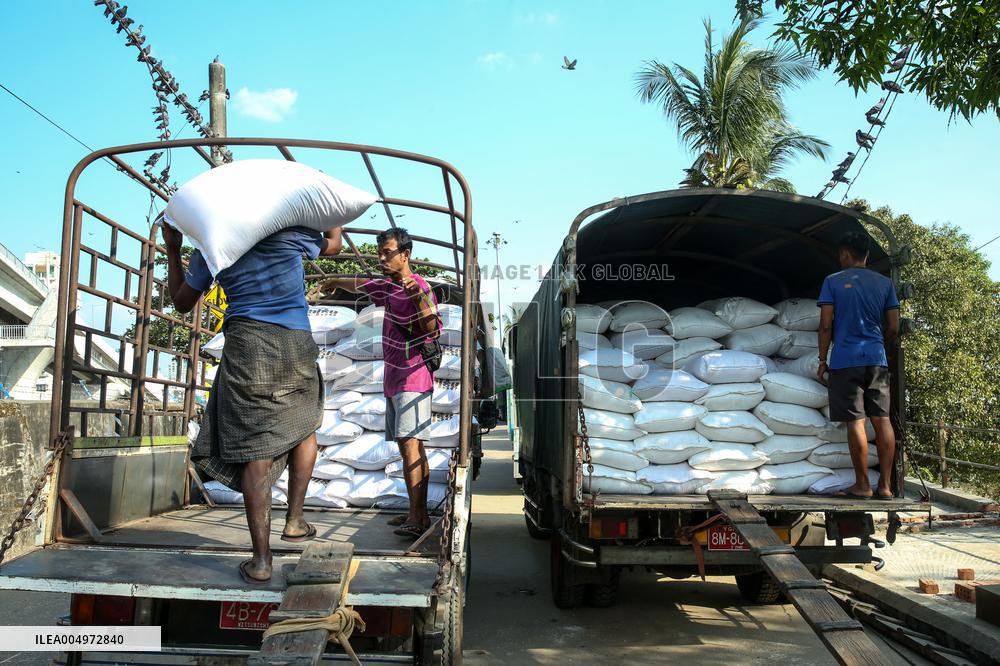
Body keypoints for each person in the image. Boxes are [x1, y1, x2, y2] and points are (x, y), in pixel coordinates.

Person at [163, 221, 344, 584]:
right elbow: (334, 245)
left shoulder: (214, 242)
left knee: (255, 449)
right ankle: (294, 520)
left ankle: (261, 561)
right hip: (295, 340)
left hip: (248, 343)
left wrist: (172, 247)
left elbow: (182, 302)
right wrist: (332, 215)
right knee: (306, 422)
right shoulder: (290, 234)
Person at [320, 228, 441, 538]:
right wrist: (335, 280)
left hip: (413, 377)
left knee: (411, 447)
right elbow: (361, 284)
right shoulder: (388, 288)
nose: (382, 258)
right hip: (395, 379)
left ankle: (419, 516)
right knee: (409, 448)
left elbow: (431, 328)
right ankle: (416, 511)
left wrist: (417, 297)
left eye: (388, 252)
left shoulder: (420, 287)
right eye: (380, 253)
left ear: (405, 254)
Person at [817, 231, 900, 500]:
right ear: (867, 255)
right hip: (877, 359)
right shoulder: (885, 283)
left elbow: (826, 323)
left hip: (845, 361)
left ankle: (862, 484)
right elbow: (894, 326)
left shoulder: (833, 282)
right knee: (882, 420)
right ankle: (885, 486)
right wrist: (878, 345)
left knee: (856, 421)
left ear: (844, 254)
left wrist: (822, 359)